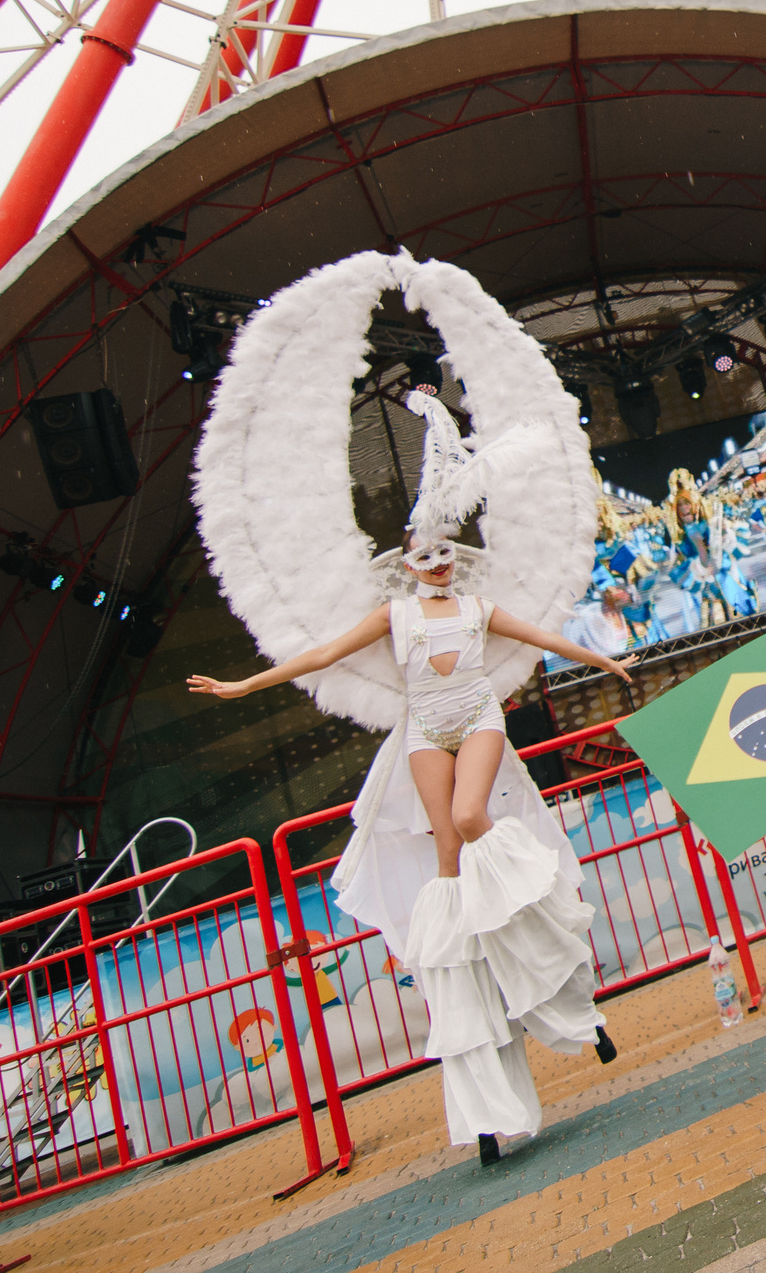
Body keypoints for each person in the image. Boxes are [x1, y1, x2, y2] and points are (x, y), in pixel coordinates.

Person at [188, 492, 633, 1167]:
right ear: (407, 565)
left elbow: (543, 637)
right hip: (425, 729)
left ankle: (544, 935)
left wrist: (606, 662)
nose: (436, 564)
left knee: (468, 815)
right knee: (447, 857)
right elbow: (323, 655)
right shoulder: (394, 616)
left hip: (479, 716)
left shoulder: (479, 610)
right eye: (424, 556)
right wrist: (245, 686)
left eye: (444, 552)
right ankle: (468, 1016)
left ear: (456, 556)